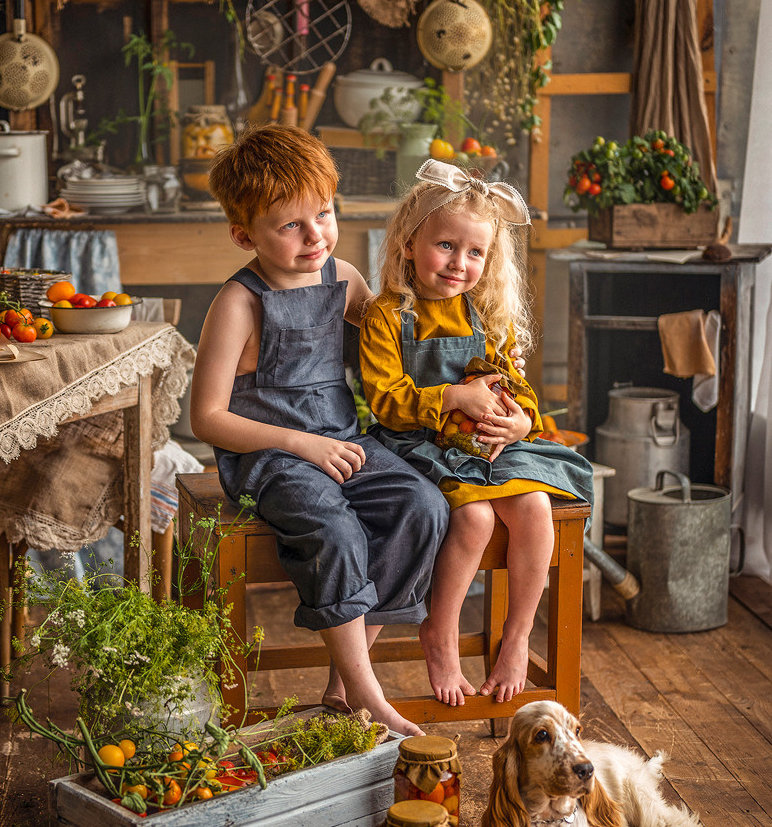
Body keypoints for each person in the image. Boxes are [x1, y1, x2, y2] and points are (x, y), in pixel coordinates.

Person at [189, 125, 451, 737]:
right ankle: (366, 689)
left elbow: (394, 345)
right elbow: (207, 418)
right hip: (268, 456)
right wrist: (298, 443)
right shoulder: (238, 302)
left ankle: (343, 679)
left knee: (423, 505)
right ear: (242, 233)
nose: (316, 237)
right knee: (332, 527)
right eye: (291, 226)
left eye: (324, 216)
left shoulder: (344, 277)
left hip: (342, 439)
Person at [359, 159, 594, 708]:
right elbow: (385, 400)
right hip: (418, 443)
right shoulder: (390, 314)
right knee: (475, 516)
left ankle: (516, 639)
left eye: (475, 252)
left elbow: (516, 386)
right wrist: (451, 398)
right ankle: (439, 634)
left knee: (535, 508)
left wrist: (522, 421)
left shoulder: (487, 314)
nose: (458, 263)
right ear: (410, 241)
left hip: (489, 442)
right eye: (445, 245)